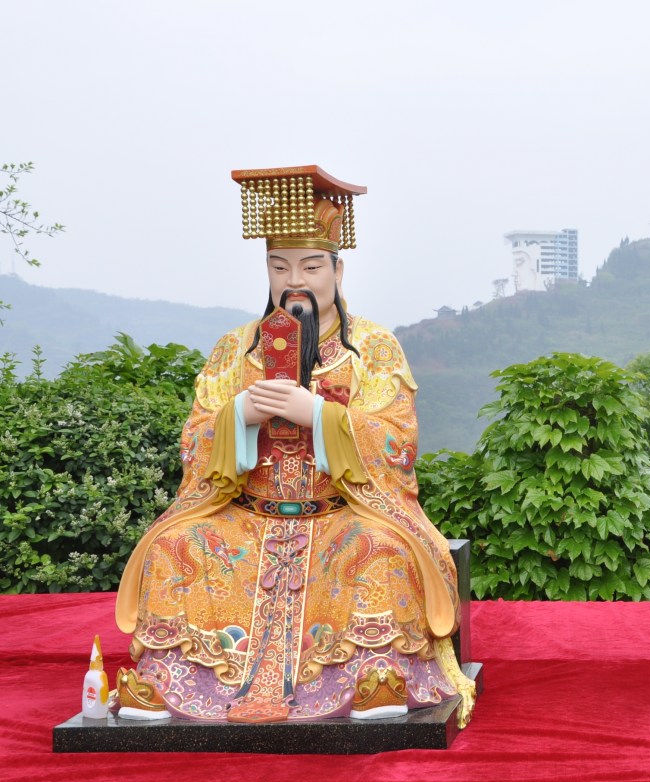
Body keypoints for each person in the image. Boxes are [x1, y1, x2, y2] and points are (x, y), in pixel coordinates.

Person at [114, 165, 475, 724]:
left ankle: (374, 677)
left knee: (379, 549)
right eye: (279, 266)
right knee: (176, 546)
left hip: (339, 513)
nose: (294, 279)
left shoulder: (373, 348)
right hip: (245, 518)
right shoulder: (235, 348)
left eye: (310, 265)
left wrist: (322, 417)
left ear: (337, 269)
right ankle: (171, 679)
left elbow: (399, 441)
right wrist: (238, 417)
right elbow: (194, 439)